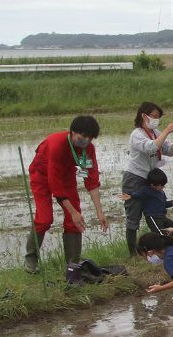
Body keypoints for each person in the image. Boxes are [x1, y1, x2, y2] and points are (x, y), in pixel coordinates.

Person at [24, 115, 109, 271]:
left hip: (67, 175)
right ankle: (30, 260)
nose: (86, 141)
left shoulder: (88, 149)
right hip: (41, 175)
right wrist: (73, 212)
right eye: (82, 137)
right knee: (44, 219)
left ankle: (72, 265)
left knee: (74, 221)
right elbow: (55, 185)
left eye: (90, 138)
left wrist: (100, 212)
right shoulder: (57, 144)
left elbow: (92, 180)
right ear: (72, 132)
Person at [122, 102, 173, 256]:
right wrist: (167, 131)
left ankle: (157, 247)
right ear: (144, 116)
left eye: (158, 118)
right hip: (135, 179)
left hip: (150, 180)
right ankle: (133, 253)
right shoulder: (137, 134)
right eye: (154, 117)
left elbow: (169, 151)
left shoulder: (155, 132)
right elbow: (151, 147)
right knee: (133, 217)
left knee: (155, 212)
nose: (156, 120)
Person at [122, 168, 173, 235]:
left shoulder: (161, 192)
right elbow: (138, 194)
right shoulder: (147, 190)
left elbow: (163, 204)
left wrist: (172, 202)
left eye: (164, 185)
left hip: (162, 217)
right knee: (161, 234)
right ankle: (164, 242)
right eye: (161, 185)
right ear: (152, 185)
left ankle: (167, 241)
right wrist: (130, 196)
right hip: (153, 218)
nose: (163, 187)